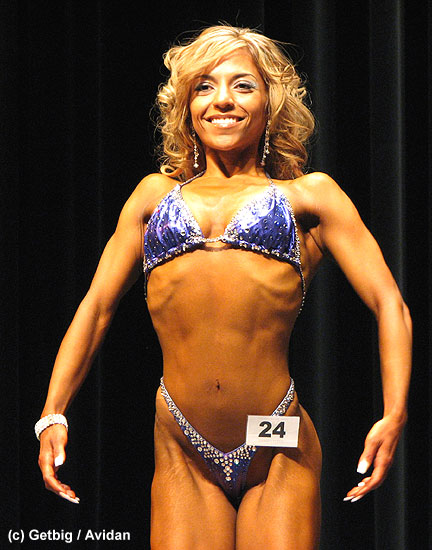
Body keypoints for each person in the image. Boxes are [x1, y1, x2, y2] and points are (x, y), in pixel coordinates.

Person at [36, 25, 412, 550]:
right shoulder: (152, 197)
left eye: (243, 85)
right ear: (187, 106)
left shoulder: (310, 197)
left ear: (270, 102)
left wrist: (394, 413)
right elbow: (96, 307)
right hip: (181, 445)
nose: (223, 100)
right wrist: (53, 411)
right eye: (204, 86)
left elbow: (389, 303)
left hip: (275, 440)